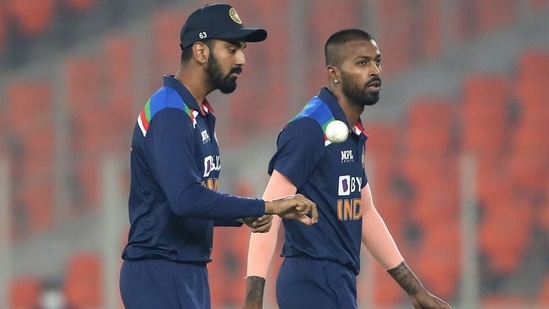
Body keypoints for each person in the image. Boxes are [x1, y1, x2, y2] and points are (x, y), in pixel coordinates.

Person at [119, 4, 318, 309]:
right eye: (232, 48)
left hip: (185, 270)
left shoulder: (195, 112)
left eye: (242, 49)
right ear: (200, 51)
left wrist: (245, 213)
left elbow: (186, 200)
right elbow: (185, 198)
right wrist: (268, 206)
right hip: (161, 270)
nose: (242, 59)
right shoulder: (171, 113)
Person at [242, 29, 452, 309]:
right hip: (311, 281)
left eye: (377, 61)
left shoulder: (350, 132)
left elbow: (365, 213)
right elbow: (268, 211)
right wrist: (253, 298)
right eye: (362, 63)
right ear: (334, 73)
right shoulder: (310, 128)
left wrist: (415, 291)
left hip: (338, 281)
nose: (375, 70)